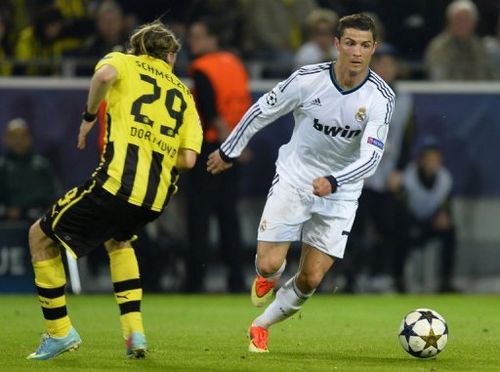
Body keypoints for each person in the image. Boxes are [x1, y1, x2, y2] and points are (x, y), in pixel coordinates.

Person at [207, 14, 394, 352]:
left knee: (311, 278)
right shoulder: (307, 80)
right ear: (336, 44)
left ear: (373, 49)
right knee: (269, 264)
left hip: (342, 188)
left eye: (365, 45)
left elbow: (371, 158)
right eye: (350, 43)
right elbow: (261, 110)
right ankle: (267, 277)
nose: (356, 52)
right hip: (297, 175)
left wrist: (335, 181)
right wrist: (229, 150)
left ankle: (261, 325)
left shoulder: (381, 98)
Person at [26, 20, 203, 360]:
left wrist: (90, 116)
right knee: (119, 240)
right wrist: (157, 147)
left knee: (39, 237)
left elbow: (103, 76)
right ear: (169, 56)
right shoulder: (184, 95)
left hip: (117, 184)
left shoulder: (123, 61)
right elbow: (189, 159)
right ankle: (135, 332)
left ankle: (59, 332)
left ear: (138, 48)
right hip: (154, 199)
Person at [184, 17, 251, 293]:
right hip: (235, 149)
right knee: (228, 216)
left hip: (214, 149)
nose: (192, 42)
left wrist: (229, 146)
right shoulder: (235, 64)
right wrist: (240, 146)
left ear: (213, 39)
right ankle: (236, 278)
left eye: (198, 36)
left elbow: (212, 114)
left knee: (199, 217)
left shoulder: (201, 68)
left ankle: (194, 282)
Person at [389, 139, 457, 293]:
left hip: (431, 224)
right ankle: (398, 280)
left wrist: (444, 215)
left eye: (435, 158)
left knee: (450, 231)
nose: (432, 162)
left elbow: (446, 205)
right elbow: (400, 208)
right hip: (410, 224)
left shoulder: (445, 179)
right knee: (400, 234)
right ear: (421, 160)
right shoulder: (408, 177)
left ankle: (446, 280)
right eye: (428, 158)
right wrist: (413, 223)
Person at [0, 118, 59, 221]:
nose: (18, 141)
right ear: (6, 139)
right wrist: (6, 211)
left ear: (29, 139)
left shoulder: (41, 166)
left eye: (22, 136)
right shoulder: (2, 167)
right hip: (5, 226)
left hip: (37, 222)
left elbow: (54, 197)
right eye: (14, 137)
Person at [424, 0, 496, 80]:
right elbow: (438, 78)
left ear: (474, 23)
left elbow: (490, 77)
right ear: (449, 21)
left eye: (465, 20)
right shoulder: (438, 47)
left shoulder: (482, 48)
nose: (461, 24)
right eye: (458, 20)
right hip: (449, 90)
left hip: (478, 90)